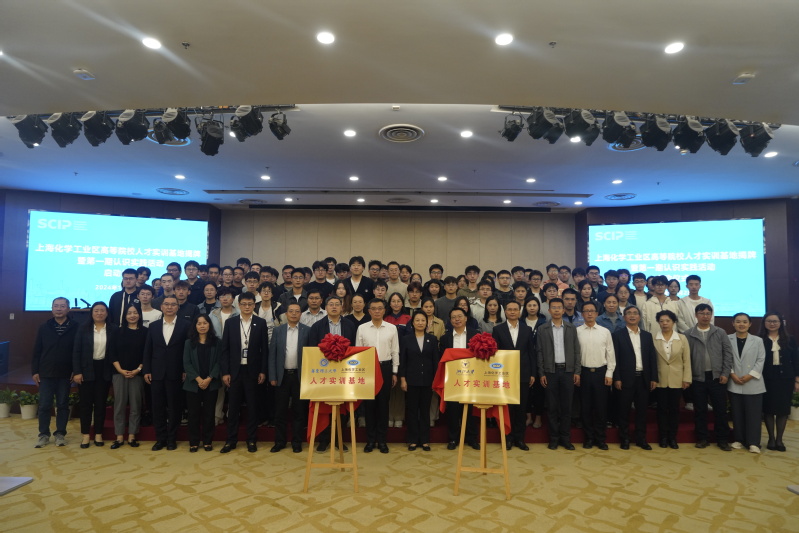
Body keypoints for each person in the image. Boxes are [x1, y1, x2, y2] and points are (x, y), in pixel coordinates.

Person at [219, 291, 269, 453]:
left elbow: (264, 349)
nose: (247, 307)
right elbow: (225, 349)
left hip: (253, 371)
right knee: (233, 407)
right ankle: (231, 440)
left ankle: (251, 439)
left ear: (254, 305)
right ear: (238, 305)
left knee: (253, 407)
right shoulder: (231, 322)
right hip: (235, 371)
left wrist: (263, 371)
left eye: (250, 304)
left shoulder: (260, 323)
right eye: (244, 304)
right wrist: (225, 372)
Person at [307, 295, 357, 451]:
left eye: (337, 304)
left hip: (344, 372)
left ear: (342, 307)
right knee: (324, 406)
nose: (334, 307)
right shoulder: (317, 326)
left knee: (342, 406)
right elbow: (312, 349)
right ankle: (324, 440)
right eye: (331, 304)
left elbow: (354, 348)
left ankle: (339, 440)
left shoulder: (350, 325)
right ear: (326, 307)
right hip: (324, 372)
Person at [685, 303, 734, 450]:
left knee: (720, 410)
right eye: (702, 313)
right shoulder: (688, 334)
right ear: (696, 315)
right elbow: (685, 357)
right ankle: (702, 438)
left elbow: (728, 354)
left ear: (711, 315)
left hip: (717, 377)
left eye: (708, 313)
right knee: (700, 410)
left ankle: (722, 439)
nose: (705, 316)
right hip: (697, 378)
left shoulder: (720, 332)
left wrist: (725, 373)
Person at [143, 295, 190, 450]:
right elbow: (148, 349)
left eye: (173, 304)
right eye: (167, 304)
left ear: (178, 307)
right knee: (158, 407)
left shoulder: (185, 325)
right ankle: (160, 438)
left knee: (175, 407)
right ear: (161, 307)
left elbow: (187, 350)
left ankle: (172, 438)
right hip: (156, 372)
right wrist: (147, 370)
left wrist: (185, 369)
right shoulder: (153, 326)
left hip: (176, 372)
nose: (169, 307)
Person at [32, 297, 79, 448]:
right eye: (56, 306)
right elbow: (37, 351)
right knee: (44, 405)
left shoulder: (76, 327)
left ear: (68, 309)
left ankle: (60, 434)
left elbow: (78, 351)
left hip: (65, 373)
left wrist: (75, 370)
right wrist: (35, 371)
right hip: (46, 372)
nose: (59, 309)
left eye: (62, 306)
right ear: (52, 308)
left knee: (63, 405)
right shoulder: (44, 327)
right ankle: (43, 435)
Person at [537, 298, 581, 450]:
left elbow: (577, 351)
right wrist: (541, 373)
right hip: (550, 372)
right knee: (552, 407)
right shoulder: (543, 329)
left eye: (559, 307)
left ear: (563, 310)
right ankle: (554, 438)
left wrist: (577, 371)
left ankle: (565, 438)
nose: (556, 310)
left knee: (567, 407)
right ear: (549, 311)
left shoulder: (571, 328)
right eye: (553, 307)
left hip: (568, 371)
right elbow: (539, 352)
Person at [357, 298, 400, 454]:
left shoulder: (391, 328)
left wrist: (394, 372)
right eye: (373, 308)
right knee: (369, 406)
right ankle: (370, 440)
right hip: (368, 369)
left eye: (380, 308)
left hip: (385, 368)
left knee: (383, 405)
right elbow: (358, 351)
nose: (376, 311)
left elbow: (395, 351)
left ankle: (382, 440)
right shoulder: (362, 328)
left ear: (384, 310)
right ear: (369, 311)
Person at [612, 306, 658, 450]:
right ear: (624, 317)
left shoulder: (647, 336)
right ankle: (624, 438)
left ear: (639, 317)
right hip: (625, 379)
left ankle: (641, 439)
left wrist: (653, 378)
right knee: (623, 411)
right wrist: (617, 378)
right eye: (629, 313)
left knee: (642, 411)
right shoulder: (617, 335)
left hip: (643, 379)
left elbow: (652, 358)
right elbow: (615, 358)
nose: (632, 316)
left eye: (635, 313)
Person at [492, 301, 535, 451]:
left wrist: (532, 373)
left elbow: (531, 352)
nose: (512, 312)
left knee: (521, 408)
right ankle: (507, 438)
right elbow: (495, 354)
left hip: (523, 374)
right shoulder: (498, 329)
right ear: (505, 311)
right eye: (509, 309)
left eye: (515, 309)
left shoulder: (527, 329)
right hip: (504, 374)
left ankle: (520, 439)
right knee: (507, 408)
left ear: (520, 311)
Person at [73, 302, 117, 448]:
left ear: (107, 313)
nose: (99, 313)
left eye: (102, 310)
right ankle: (86, 435)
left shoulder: (113, 329)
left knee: (100, 404)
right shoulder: (83, 328)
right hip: (86, 370)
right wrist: (77, 371)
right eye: (96, 311)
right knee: (85, 404)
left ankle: (98, 433)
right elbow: (76, 351)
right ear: (91, 313)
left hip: (104, 370)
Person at [269, 303, 310, 454]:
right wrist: (273, 375)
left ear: (301, 314)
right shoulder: (278, 330)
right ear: (286, 314)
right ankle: (280, 441)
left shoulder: (307, 331)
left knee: (299, 411)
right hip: (282, 376)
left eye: (297, 311)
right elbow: (272, 355)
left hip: (299, 376)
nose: (293, 314)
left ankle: (297, 442)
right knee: (280, 411)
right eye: (291, 311)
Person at [575, 301, 616, 450]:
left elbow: (610, 354)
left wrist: (609, 373)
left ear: (597, 314)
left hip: (601, 373)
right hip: (584, 373)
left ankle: (600, 439)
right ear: (582, 314)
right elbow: (574, 354)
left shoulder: (605, 332)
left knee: (601, 408)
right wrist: (576, 373)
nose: (589, 313)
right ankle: (589, 438)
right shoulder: (576, 331)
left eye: (592, 311)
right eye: (586, 311)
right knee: (585, 408)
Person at [439, 307, 479, 450]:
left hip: (472, 378)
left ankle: (472, 438)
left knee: (471, 409)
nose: (457, 319)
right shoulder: (445, 338)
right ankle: (453, 439)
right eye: (454, 317)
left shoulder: (476, 336)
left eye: (460, 316)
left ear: (466, 318)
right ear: (450, 321)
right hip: (453, 379)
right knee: (453, 410)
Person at [759, 312, 799, 451]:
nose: (772, 323)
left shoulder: (790, 339)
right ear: (764, 323)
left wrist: (797, 379)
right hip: (766, 378)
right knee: (768, 409)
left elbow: (796, 359)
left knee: (783, 410)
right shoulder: (759, 339)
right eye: (769, 321)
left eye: (775, 321)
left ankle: (779, 440)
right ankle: (771, 438)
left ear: (781, 323)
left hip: (786, 379)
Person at [727, 312, 766, 454]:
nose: (741, 324)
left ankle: (753, 442)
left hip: (753, 382)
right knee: (737, 413)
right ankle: (739, 439)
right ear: (733, 323)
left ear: (750, 324)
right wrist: (732, 374)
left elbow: (761, 360)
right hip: (734, 380)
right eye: (738, 321)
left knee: (753, 415)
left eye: (744, 322)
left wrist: (750, 375)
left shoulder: (757, 340)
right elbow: (725, 358)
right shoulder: (727, 339)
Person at [400, 311, 439, 451]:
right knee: (411, 411)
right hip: (411, 380)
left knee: (424, 410)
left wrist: (435, 380)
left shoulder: (432, 339)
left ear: (427, 323)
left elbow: (435, 361)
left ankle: (424, 440)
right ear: (413, 323)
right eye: (417, 320)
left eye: (423, 320)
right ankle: (412, 440)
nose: (420, 323)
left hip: (428, 380)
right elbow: (403, 360)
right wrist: (403, 379)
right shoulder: (406, 339)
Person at [110, 305, 147, 449]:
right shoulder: (117, 332)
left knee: (136, 405)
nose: (132, 315)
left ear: (139, 315)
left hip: (137, 374)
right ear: (124, 316)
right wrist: (120, 370)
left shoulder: (145, 332)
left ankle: (132, 435)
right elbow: (112, 353)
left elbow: (147, 354)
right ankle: (119, 436)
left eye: (135, 313)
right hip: (119, 373)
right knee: (119, 405)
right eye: (129, 313)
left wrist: (138, 370)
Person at [653, 310, 691, 449]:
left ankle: (672, 438)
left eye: (668, 321)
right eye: (661, 321)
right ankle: (663, 437)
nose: (665, 323)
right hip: (660, 379)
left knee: (674, 410)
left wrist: (686, 378)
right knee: (661, 410)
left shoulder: (682, 338)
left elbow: (686, 360)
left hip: (677, 379)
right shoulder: (653, 338)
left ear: (673, 322)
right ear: (658, 323)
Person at [183, 315, 222, 452]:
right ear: (195, 326)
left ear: (209, 325)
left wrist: (209, 378)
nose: (202, 326)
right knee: (193, 414)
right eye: (199, 323)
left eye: (205, 323)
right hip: (193, 384)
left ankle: (207, 441)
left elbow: (219, 362)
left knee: (209, 414)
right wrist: (198, 379)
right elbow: (186, 363)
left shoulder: (217, 342)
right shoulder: (189, 343)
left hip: (211, 383)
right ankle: (194, 441)